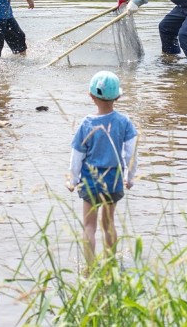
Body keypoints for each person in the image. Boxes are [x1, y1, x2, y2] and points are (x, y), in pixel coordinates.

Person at [68, 70, 138, 268]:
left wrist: (72, 180)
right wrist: (129, 177)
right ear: (117, 97)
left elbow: (77, 155)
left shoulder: (86, 124)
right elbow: (131, 153)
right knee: (109, 225)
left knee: (89, 226)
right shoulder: (123, 122)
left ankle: (89, 268)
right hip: (113, 180)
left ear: (91, 96)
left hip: (91, 182)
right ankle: (111, 264)